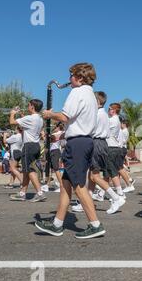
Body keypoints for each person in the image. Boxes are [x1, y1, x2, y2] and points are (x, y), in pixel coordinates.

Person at [36, 62, 106, 239]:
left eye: (71, 75)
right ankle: (57, 223)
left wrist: (49, 114)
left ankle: (95, 224)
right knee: (66, 183)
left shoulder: (77, 92)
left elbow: (65, 116)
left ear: (80, 78)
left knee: (78, 185)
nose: (69, 79)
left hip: (77, 143)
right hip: (84, 141)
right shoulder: (90, 94)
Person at [73, 91, 125, 214]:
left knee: (94, 176)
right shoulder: (103, 115)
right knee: (91, 177)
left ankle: (116, 198)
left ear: (96, 101)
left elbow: (86, 129)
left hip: (96, 144)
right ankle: (86, 202)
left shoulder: (97, 114)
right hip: (100, 144)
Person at [9, 100, 47, 203]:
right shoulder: (39, 119)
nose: (27, 106)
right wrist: (21, 115)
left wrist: (12, 113)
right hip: (36, 145)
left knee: (29, 170)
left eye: (29, 105)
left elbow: (12, 122)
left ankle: (40, 193)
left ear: (32, 107)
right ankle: (22, 193)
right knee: (26, 170)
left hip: (28, 146)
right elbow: (26, 126)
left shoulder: (29, 118)